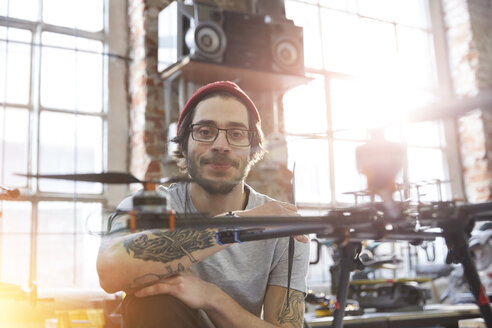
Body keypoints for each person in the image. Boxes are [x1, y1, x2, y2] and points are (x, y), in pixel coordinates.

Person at [97, 81, 310, 328]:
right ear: (184, 145)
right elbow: (109, 272)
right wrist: (238, 226)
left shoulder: (280, 226)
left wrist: (211, 298)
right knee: (154, 299)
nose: (221, 145)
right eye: (205, 132)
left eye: (237, 134)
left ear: (252, 150)